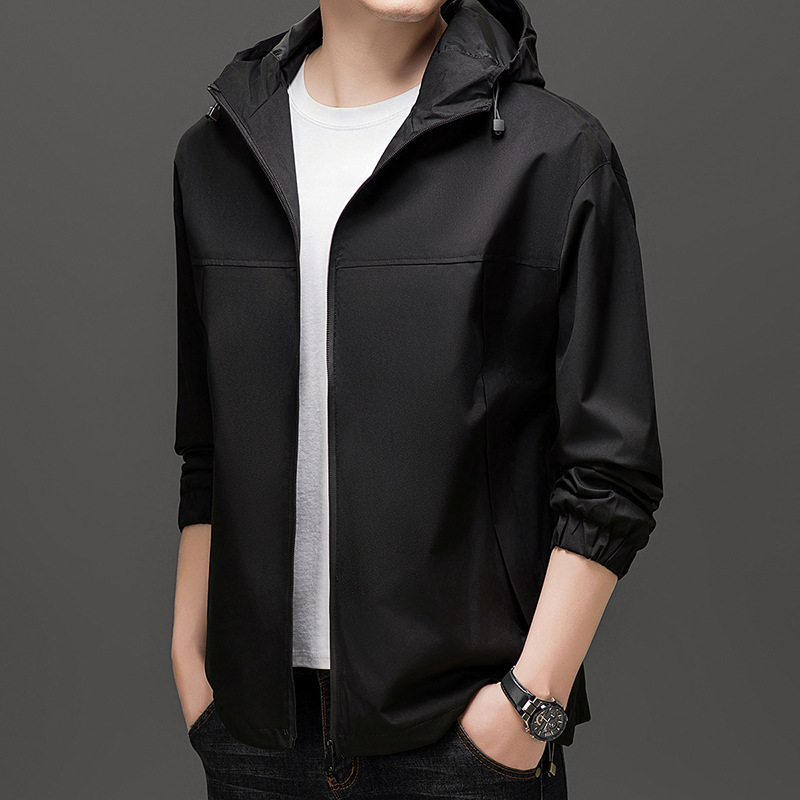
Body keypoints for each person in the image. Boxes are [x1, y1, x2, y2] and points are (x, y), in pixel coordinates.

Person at [170, 1, 664, 797]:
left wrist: (529, 704)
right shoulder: (216, 157)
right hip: (254, 739)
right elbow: (209, 447)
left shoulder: (554, 152)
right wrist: (190, 660)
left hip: (463, 746)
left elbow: (613, 466)